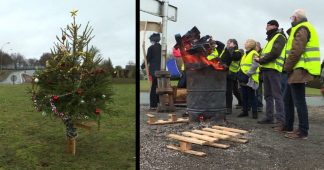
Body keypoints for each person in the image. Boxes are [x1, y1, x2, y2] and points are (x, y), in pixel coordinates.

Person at [283, 9, 321, 139]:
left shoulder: (302, 28)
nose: (291, 20)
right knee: (287, 98)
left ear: (296, 17)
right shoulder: (301, 28)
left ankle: (302, 131)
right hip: (296, 69)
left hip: (299, 69)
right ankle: (288, 126)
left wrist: (287, 67)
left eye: (291, 17)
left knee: (299, 101)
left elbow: (296, 51)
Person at [254, 20, 287, 131]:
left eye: (268, 25)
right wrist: (261, 60)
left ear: (274, 26)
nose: (266, 27)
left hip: (274, 70)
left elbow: (275, 52)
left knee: (277, 96)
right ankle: (269, 117)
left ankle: (281, 121)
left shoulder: (280, 36)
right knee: (268, 95)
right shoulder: (271, 38)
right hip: (267, 69)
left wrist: (261, 60)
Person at [237, 39, 260, 119]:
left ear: (251, 44)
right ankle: (245, 111)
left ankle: (254, 113)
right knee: (244, 95)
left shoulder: (254, 53)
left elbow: (255, 65)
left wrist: (247, 74)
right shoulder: (245, 54)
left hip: (250, 78)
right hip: (243, 77)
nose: (245, 43)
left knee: (252, 96)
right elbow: (242, 65)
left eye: (246, 42)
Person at [219, 39, 243, 115]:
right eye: (227, 43)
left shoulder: (238, 52)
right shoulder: (226, 50)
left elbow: (234, 57)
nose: (228, 44)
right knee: (235, 90)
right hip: (226, 72)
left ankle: (228, 108)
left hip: (232, 73)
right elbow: (222, 59)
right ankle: (242, 102)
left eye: (229, 43)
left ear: (234, 44)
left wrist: (231, 48)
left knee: (228, 91)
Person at [141, 33, 161, 110]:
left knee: (153, 88)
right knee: (159, 87)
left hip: (154, 70)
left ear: (153, 40)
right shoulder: (162, 47)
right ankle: (159, 102)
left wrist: (142, 66)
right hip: (161, 69)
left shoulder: (151, 48)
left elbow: (147, 58)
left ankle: (153, 105)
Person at [255, 42, 263, 112]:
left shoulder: (262, 53)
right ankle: (256, 104)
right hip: (255, 74)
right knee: (255, 91)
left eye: (256, 46)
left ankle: (260, 105)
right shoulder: (254, 53)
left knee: (259, 91)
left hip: (261, 74)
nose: (256, 48)